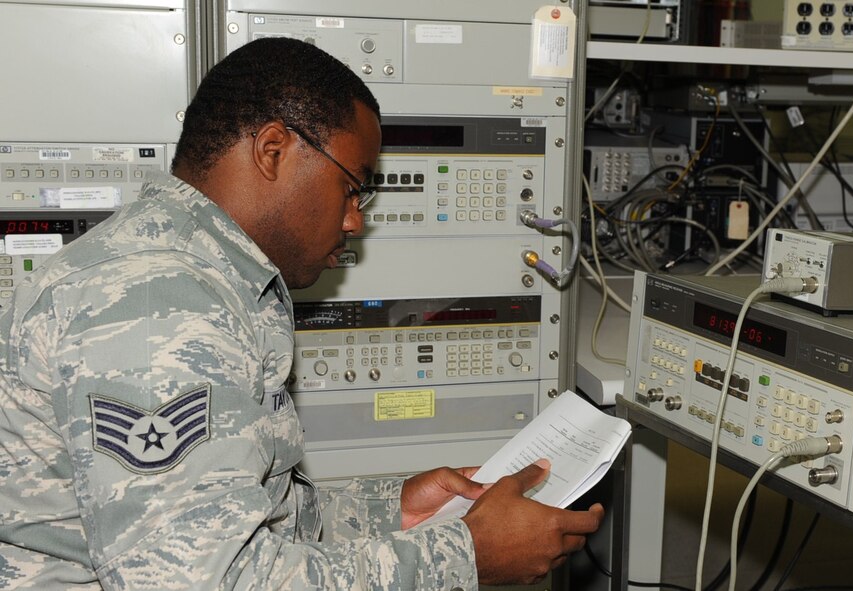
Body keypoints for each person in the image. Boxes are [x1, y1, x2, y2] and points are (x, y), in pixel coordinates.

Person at [0, 37, 604, 589]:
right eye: (352, 186)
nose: (354, 220)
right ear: (272, 149)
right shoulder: (158, 304)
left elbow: (245, 515)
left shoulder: (192, 272)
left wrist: (395, 508)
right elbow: (205, 581)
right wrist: (466, 554)